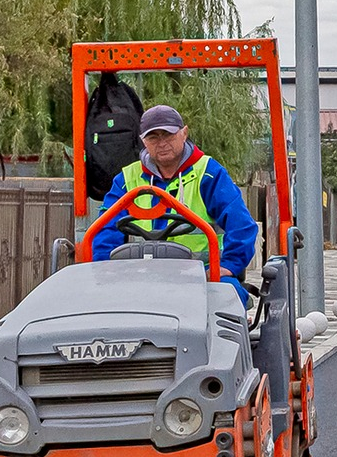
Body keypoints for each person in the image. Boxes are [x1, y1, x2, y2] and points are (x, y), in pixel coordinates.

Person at [91, 106, 259, 307]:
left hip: (200, 274)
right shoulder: (127, 180)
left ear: (184, 133)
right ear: (143, 141)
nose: (162, 143)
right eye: (153, 137)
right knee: (98, 300)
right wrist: (106, 269)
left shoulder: (208, 174)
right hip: (141, 274)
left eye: (168, 135)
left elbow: (242, 226)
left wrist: (227, 266)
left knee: (226, 296)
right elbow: (105, 228)